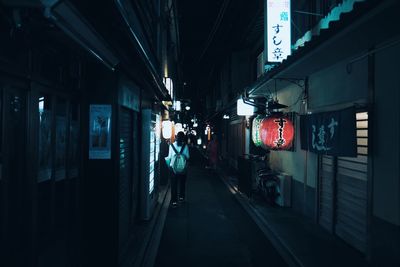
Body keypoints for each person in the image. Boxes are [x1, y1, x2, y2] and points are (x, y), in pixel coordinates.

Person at [166, 131, 190, 208]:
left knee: (174, 184)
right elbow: (187, 157)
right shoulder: (185, 146)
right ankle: (181, 197)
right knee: (182, 183)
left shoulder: (171, 146)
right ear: (183, 138)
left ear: (176, 137)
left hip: (173, 168)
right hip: (183, 168)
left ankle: (174, 201)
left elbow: (169, 157)